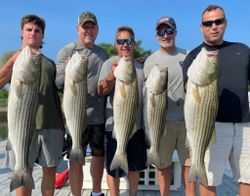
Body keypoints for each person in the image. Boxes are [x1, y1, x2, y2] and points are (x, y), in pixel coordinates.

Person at [182, 4, 250, 196]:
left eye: (218, 21)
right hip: (211, 126)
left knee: (247, 177)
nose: (214, 26)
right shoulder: (194, 56)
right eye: (208, 23)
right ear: (201, 26)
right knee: (208, 179)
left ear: (225, 24)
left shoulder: (242, 49)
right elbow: (188, 90)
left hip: (246, 125)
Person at [0, 14, 64, 196]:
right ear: (22, 32)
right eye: (29, 29)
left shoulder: (50, 64)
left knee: (50, 171)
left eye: (37, 31)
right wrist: (12, 62)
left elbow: (55, 96)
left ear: (42, 35)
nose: (33, 33)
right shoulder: (10, 57)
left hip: (51, 125)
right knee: (23, 169)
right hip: (22, 125)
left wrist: (62, 124)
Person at [55, 11, 108, 196]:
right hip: (73, 116)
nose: (88, 30)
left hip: (98, 115)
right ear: (78, 29)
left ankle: (95, 192)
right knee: (75, 158)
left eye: (92, 26)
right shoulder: (67, 51)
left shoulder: (103, 54)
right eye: (85, 27)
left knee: (98, 156)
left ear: (97, 29)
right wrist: (68, 70)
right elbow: (59, 83)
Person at [143, 16, 196, 196]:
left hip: (187, 122)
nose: (165, 35)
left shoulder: (188, 55)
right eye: (161, 31)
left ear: (175, 32)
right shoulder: (150, 61)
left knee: (188, 166)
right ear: (156, 35)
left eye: (169, 31)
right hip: (161, 123)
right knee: (162, 165)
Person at [97, 26, 147, 196]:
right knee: (113, 169)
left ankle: (133, 194)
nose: (125, 44)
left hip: (137, 126)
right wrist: (113, 73)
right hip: (115, 125)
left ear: (133, 44)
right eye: (121, 41)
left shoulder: (142, 66)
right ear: (115, 43)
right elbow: (101, 90)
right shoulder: (108, 63)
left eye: (129, 41)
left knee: (134, 166)